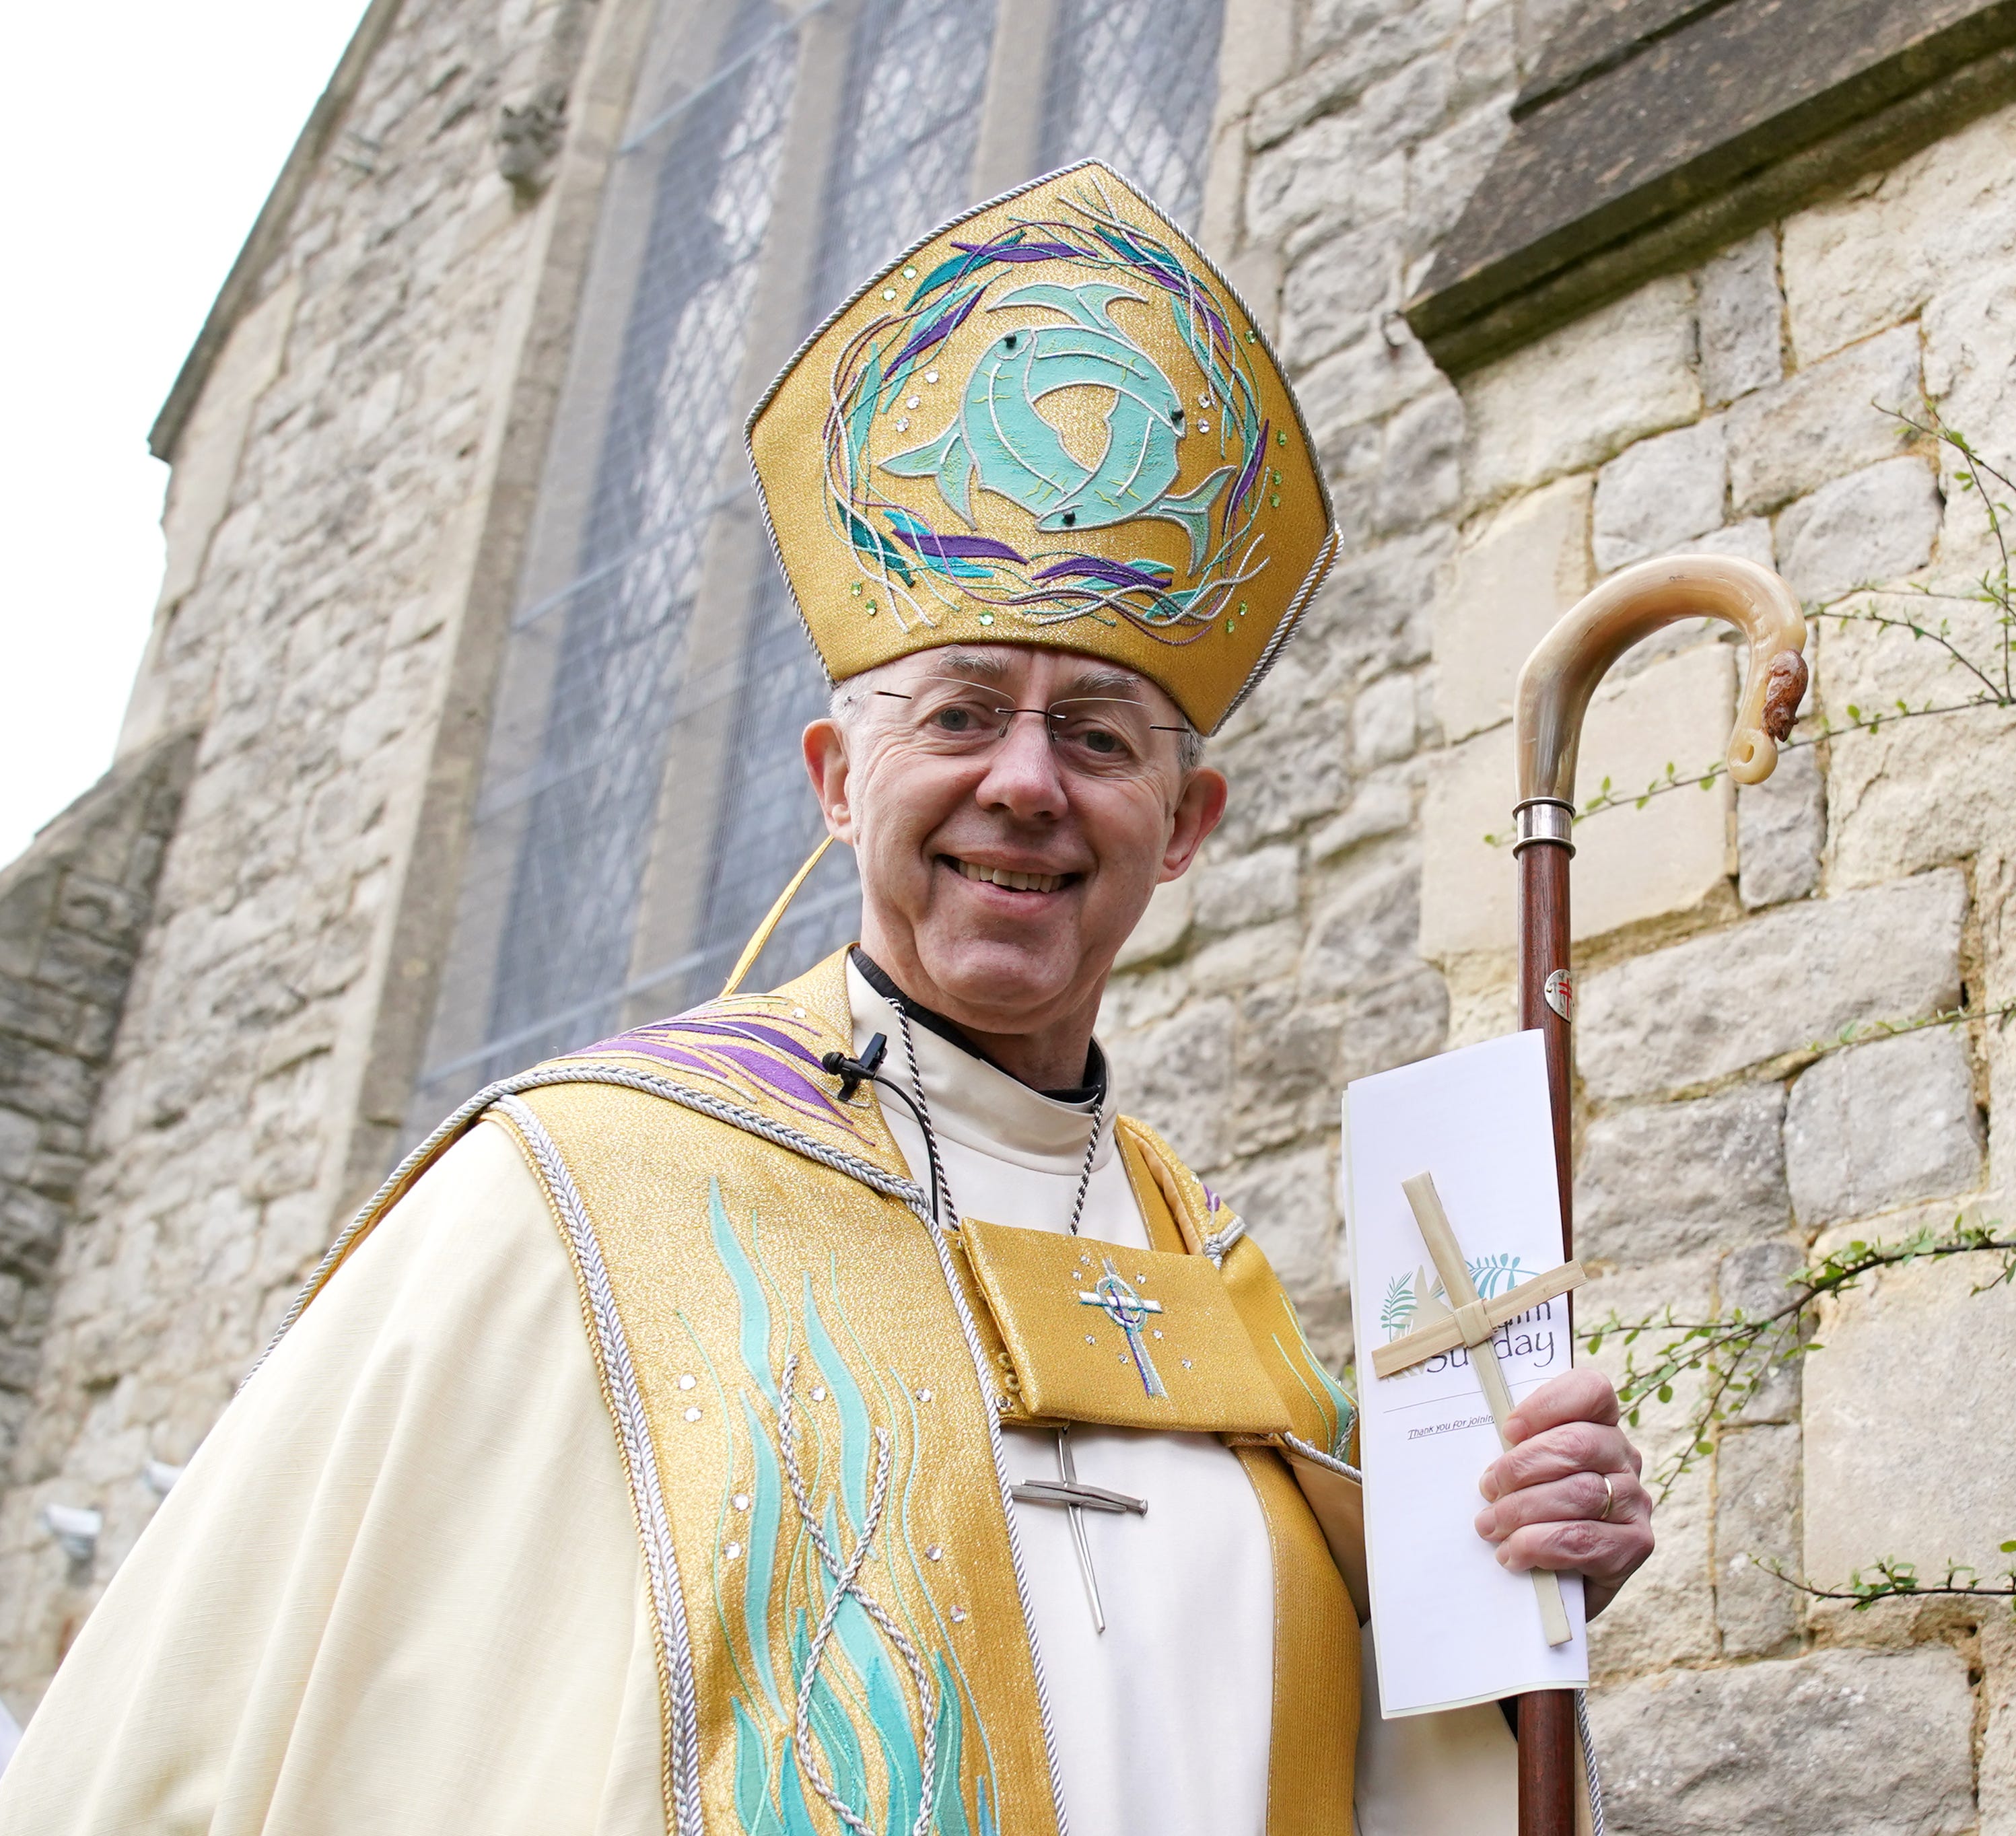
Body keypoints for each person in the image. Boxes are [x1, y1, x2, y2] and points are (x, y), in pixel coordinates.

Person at [0, 162, 1652, 1836]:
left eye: (1096, 735)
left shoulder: (1213, 1283)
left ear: (1187, 828)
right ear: (834, 782)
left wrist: (1500, 1584)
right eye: (957, 717)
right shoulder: (568, 1199)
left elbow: (1331, 1757)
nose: (1024, 782)